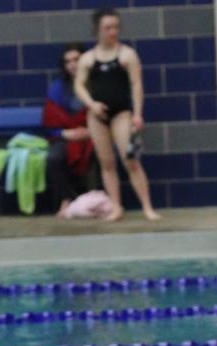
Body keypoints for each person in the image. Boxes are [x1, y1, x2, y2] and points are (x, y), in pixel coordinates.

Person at [73, 8, 160, 222]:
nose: (113, 32)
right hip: (97, 117)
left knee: (130, 161)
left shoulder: (126, 54)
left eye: (116, 27)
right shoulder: (88, 59)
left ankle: (147, 207)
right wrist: (91, 105)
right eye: (108, 27)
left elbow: (136, 85)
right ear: (97, 30)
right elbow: (79, 86)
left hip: (121, 114)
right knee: (107, 163)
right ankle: (116, 208)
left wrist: (137, 115)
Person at [42, 44, 96, 216]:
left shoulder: (96, 85)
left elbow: (107, 115)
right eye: (68, 61)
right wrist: (66, 134)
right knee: (54, 157)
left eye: (76, 59)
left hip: (94, 136)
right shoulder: (57, 89)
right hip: (66, 137)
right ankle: (66, 200)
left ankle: (95, 200)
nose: (72, 64)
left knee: (100, 155)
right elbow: (50, 122)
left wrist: (91, 132)